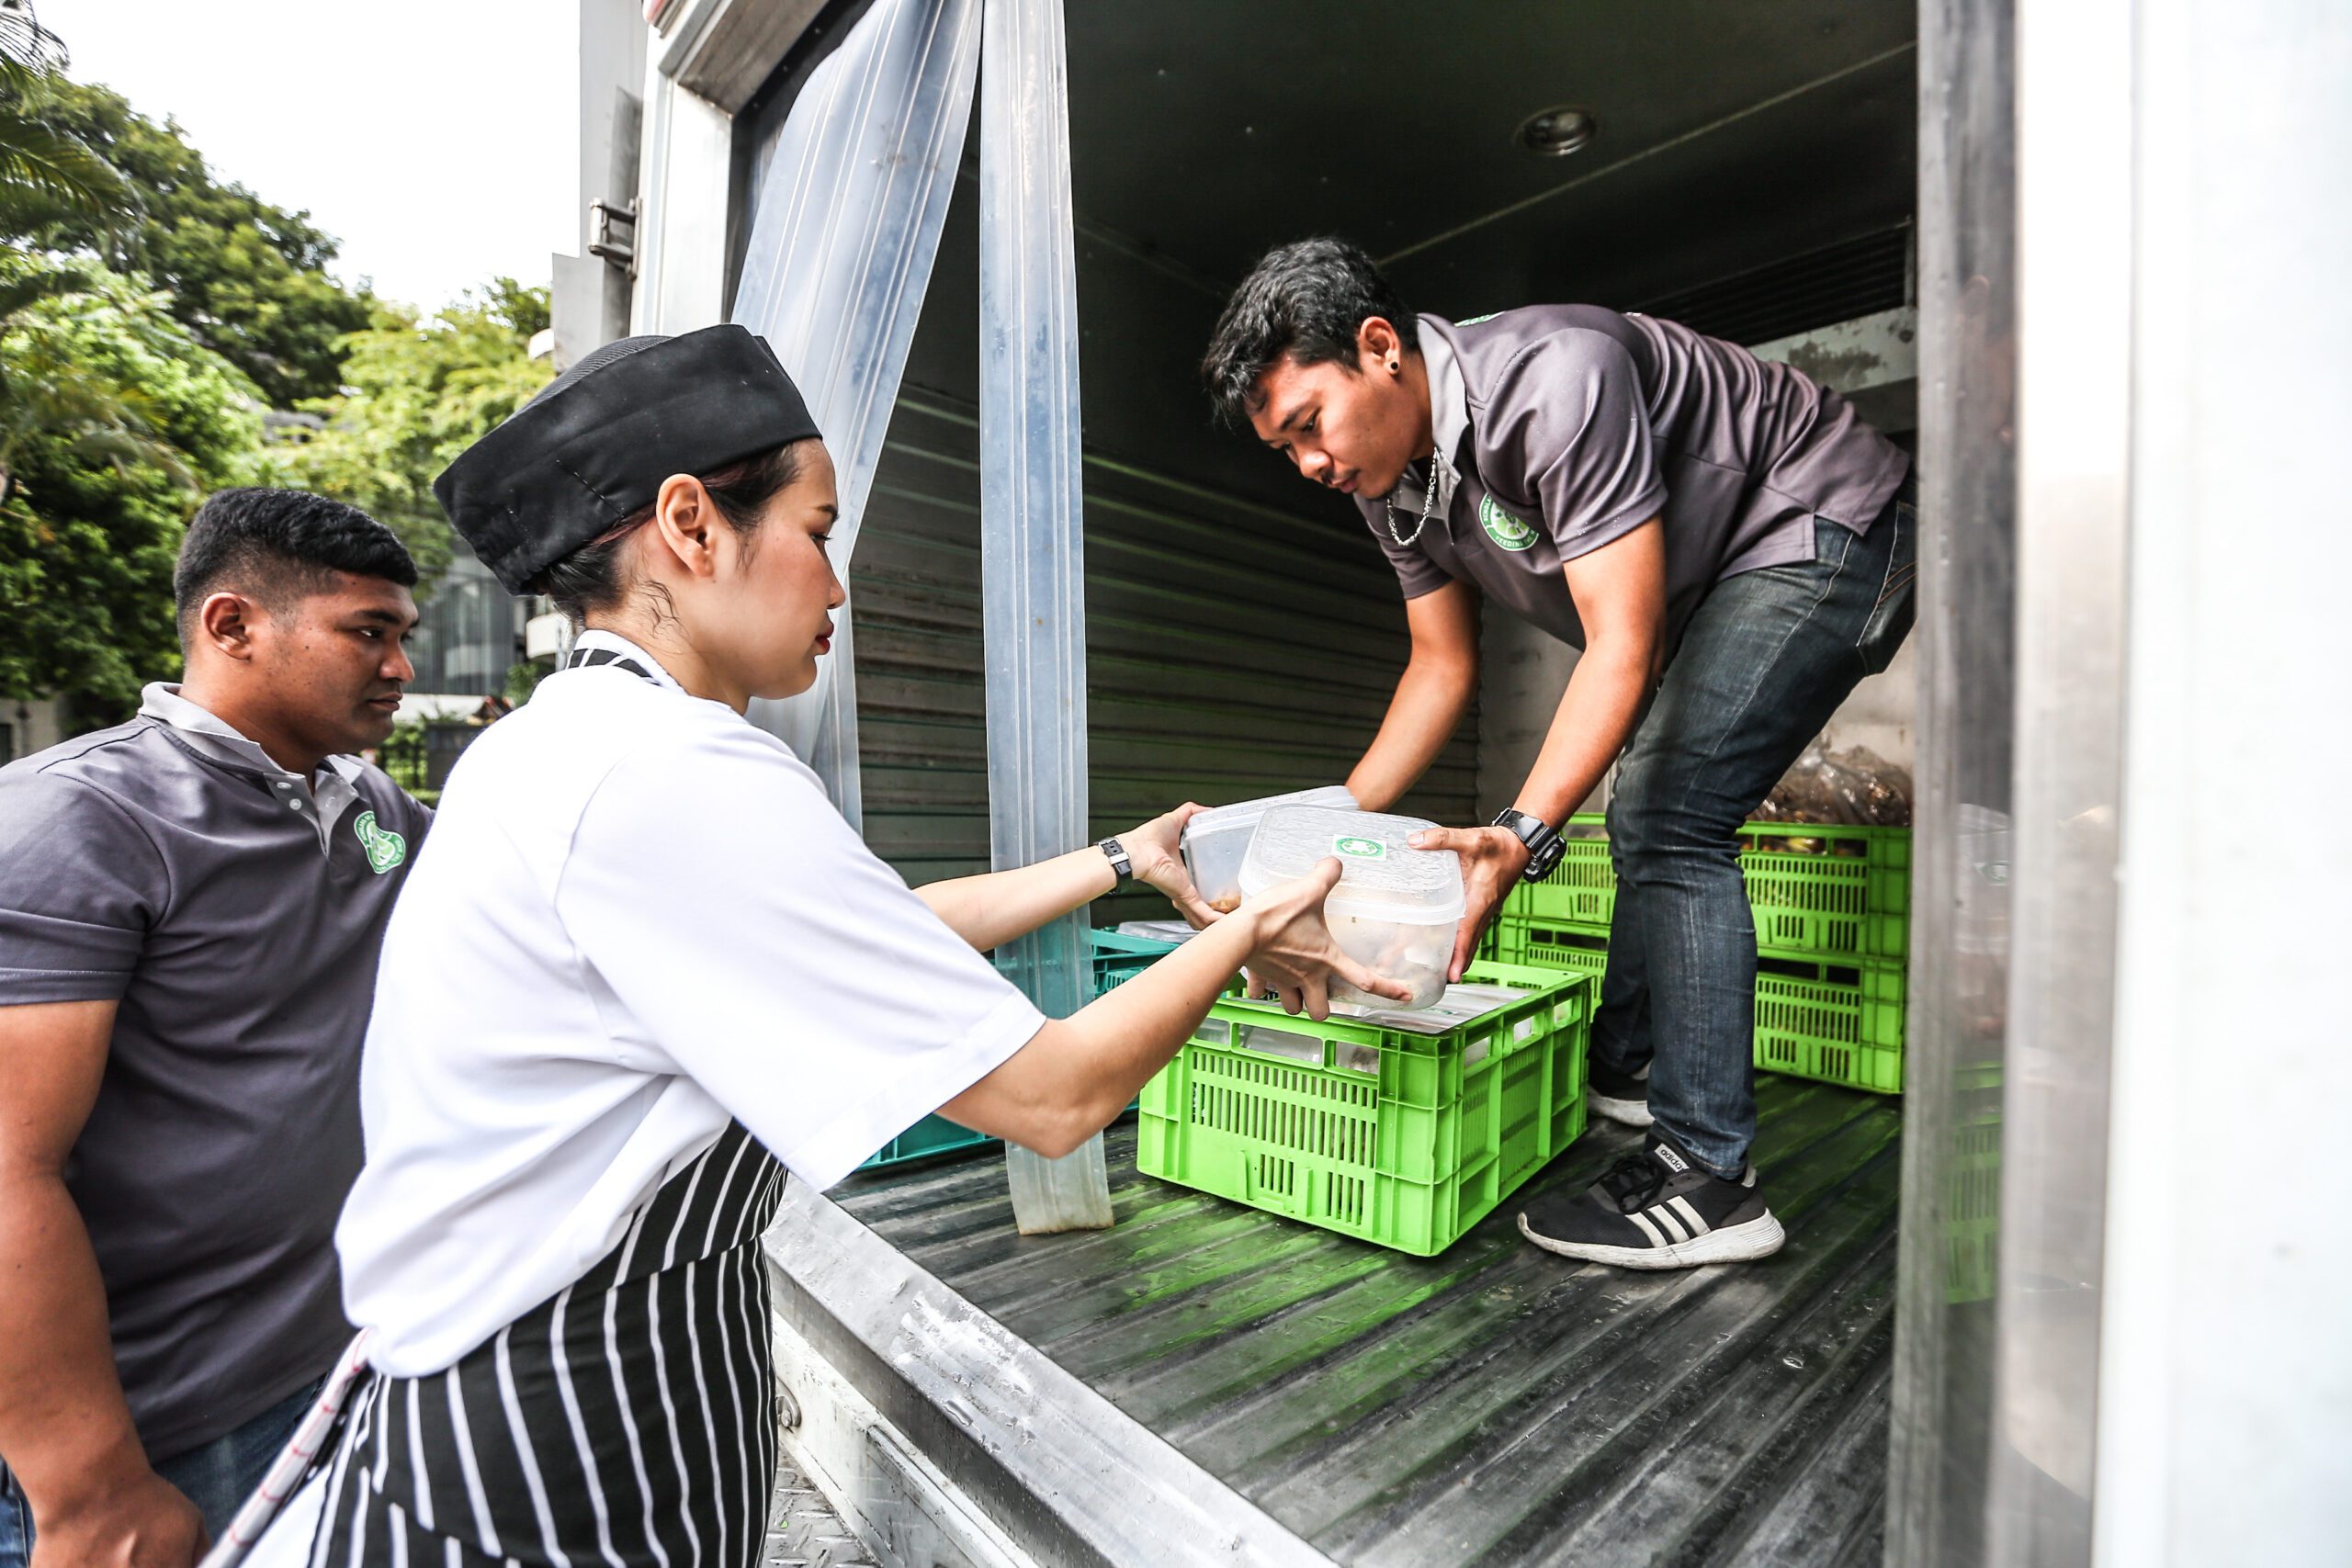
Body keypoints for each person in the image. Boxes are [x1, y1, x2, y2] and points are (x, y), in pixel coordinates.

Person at [263, 324, 1392, 1562]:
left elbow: (872, 936)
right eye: (817, 531)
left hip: (570, 1373)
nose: (837, 584)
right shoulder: (665, 769)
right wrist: (1248, 930)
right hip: (557, 1422)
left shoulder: (559, 744)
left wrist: (1121, 859)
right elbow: (1058, 1095)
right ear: (691, 526)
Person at [1201, 239, 1916, 1269]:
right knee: (1655, 805)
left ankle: (1710, 1178)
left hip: (1826, 521)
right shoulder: (1385, 483)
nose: (1310, 463)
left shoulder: (1552, 380)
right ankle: (1626, 1073)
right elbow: (1440, 668)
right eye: (1285, 449)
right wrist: (1316, 836)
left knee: (1666, 815)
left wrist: (1519, 834)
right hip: (1716, 577)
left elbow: (1622, 644)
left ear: (1377, 349)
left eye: (1310, 423)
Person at [0, 490, 431, 1562]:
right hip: (155, 1425)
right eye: (366, 633)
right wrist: (86, 1485)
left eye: (401, 636)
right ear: (232, 626)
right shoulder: (82, 820)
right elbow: (5, 1166)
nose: (399, 668)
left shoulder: (371, 811)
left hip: (332, 1369)